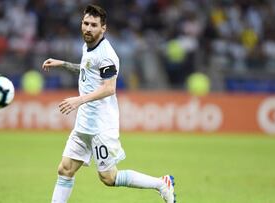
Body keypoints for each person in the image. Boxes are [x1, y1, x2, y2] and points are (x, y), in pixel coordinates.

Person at [42, 4, 176, 203]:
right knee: (65, 169)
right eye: (86, 23)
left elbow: (109, 88)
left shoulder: (107, 55)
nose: (88, 28)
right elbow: (87, 69)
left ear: (103, 28)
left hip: (101, 125)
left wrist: (79, 100)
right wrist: (62, 64)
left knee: (109, 177)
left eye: (94, 25)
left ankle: (161, 183)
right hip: (84, 123)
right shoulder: (87, 46)